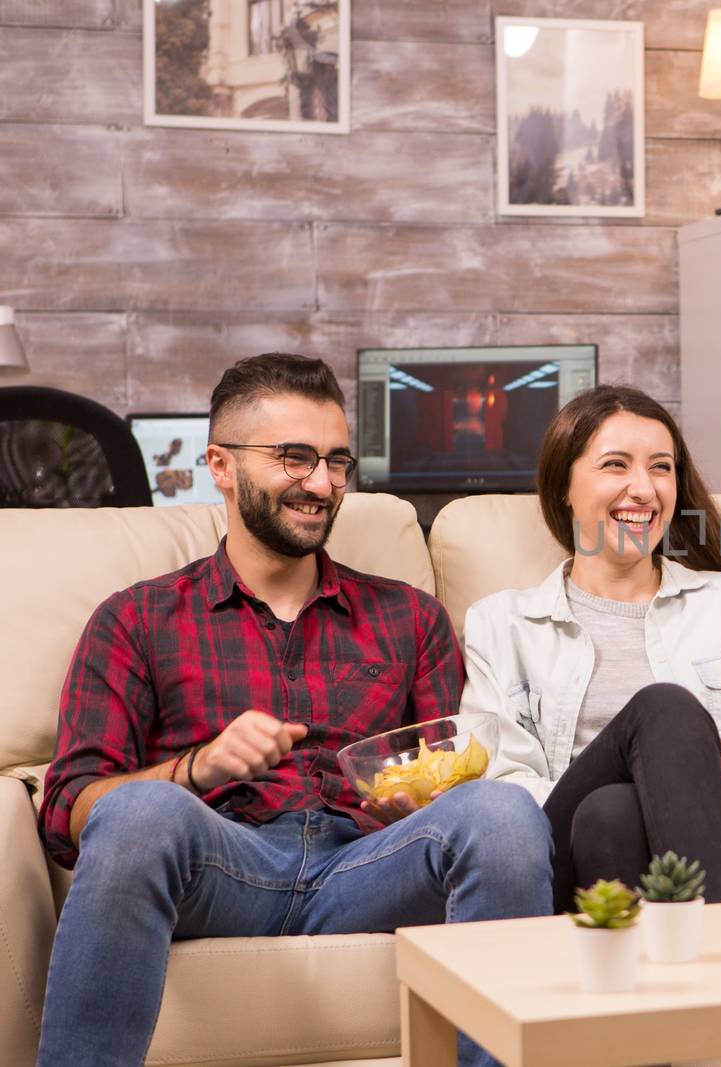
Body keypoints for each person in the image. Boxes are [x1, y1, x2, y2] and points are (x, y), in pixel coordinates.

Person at [35, 353, 553, 1067]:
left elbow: (451, 788)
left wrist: (419, 800)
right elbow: (68, 813)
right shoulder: (138, 618)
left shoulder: (409, 617)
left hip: (368, 864)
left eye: (337, 461)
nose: (322, 483)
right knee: (137, 813)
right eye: (294, 457)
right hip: (221, 864)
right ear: (220, 464)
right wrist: (197, 766)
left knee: (503, 813)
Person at [461, 384, 721, 912]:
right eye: (616, 465)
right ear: (563, 488)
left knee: (615, 812)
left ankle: (675, 982)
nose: (643, 488)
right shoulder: (502, 623)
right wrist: (666, 777)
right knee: (659, 718)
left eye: (661, 467)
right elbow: (501, 793)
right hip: (568, 858)